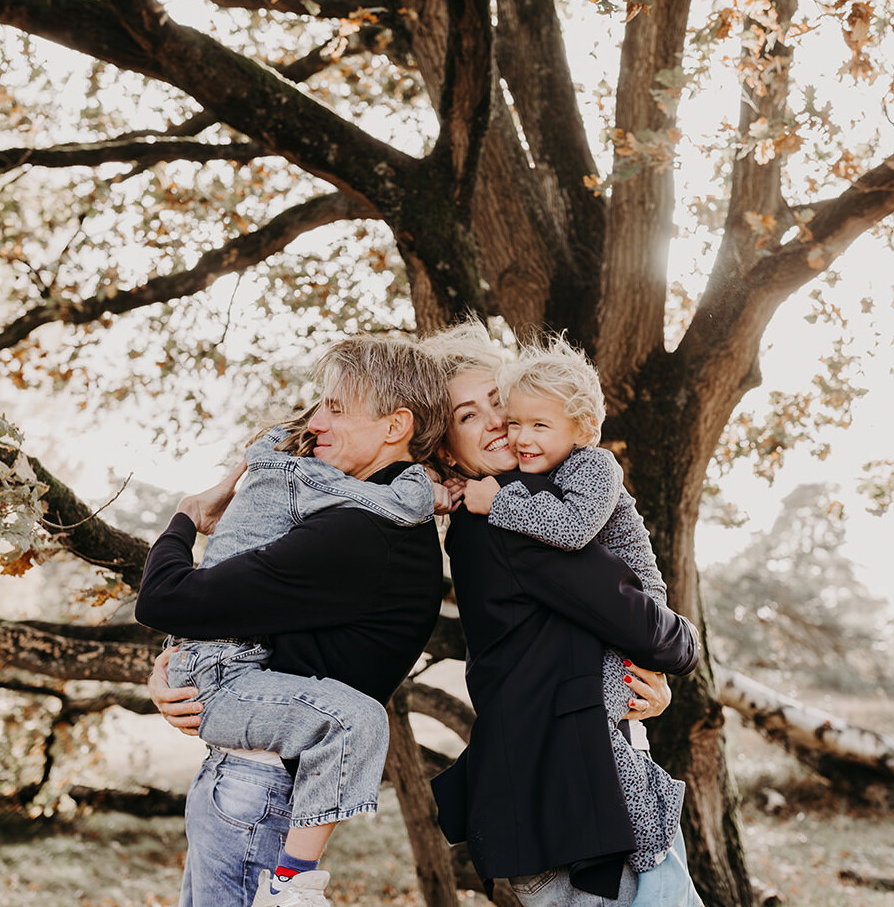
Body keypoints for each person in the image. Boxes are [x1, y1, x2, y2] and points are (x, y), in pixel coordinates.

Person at [138, 335, 450, 907]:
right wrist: (175, 671)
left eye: (335, 406)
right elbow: (230, 623)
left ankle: (294, 887)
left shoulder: (357, 534)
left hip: (259, 792)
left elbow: (165, 598)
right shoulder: (370, 513)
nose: (317, 421)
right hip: (251, 784)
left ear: (394, 426)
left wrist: (185, 517)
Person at [421, 323, 703, 907]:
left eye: (500, 402)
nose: (499, 423)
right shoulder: (504, 523)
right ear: (446, 448)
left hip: (572, 788)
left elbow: (589, 633)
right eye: (468, 416)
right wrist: (683, 647)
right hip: (574, 804)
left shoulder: (533, 500)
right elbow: (639, 624)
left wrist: (646, 684)